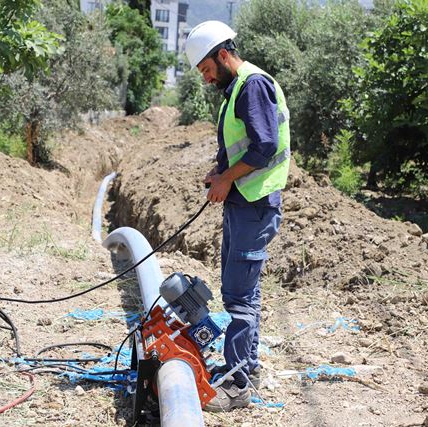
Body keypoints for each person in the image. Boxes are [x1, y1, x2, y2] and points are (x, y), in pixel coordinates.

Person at [185, 21, 291, 412]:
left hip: (254, 203)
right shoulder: (236, 89)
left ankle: (237, 384)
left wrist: (226, 179)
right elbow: (241, 144)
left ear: (223, 55)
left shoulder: (252, 85)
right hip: (243, 202)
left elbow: (264, 147)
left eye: (207, 69)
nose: (207, 78)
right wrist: (219, 171)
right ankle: (247, 369)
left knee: (238, 298)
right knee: (244, 293)